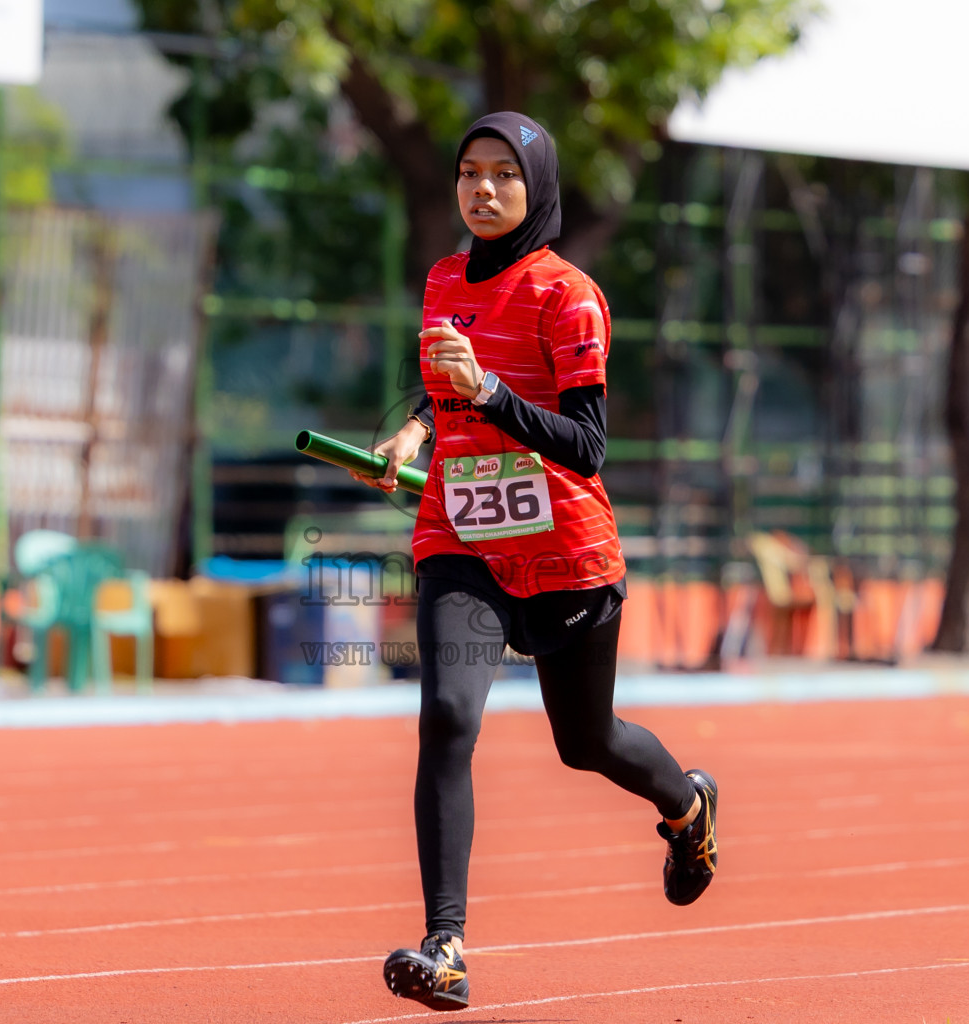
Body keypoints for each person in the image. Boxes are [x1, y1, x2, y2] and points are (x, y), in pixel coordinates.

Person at [351, 111, 718, 1013]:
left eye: (503, 176)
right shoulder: (443, 279)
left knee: (584, 743)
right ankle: (447, 946)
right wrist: (416, 427)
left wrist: (490, 393)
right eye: (469, 172)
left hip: (564, 552)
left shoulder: (570, 295)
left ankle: (688, 810)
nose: (482, 190)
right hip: (461, 540)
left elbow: (587, 445)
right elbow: (444, 392)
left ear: (536, 188)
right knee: (446, 716)